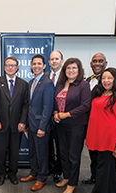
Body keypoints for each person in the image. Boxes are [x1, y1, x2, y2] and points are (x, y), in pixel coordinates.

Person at [81, 68, 116, 193]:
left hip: (109, 138)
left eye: (109, 78)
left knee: (102, 167)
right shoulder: (102, 93)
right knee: (107, 166)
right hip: (97, 135)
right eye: (103, 78)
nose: (106, 81)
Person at [0, 56, 28, 186]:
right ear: (4, 67)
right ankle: (0, 174)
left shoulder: (24, 84)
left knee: (14, 152)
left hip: (17, 125)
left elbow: (25, 105)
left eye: (13, 65)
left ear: (17, 67)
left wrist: (23, 122)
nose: (10, 67)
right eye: (7, 65)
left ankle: (12, 174)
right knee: (0, 151)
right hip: (0, 124)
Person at [53, 58, 91, 193]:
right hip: (60, 125)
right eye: (68, 68)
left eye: (74, 68)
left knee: (73, 155)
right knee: (62, 153)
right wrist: (56, 112)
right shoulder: (60, 83)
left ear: (79, 70)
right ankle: (66, 177)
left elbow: (85, 105)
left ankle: (72, 183)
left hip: (76, 125)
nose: (71, 71)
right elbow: (55, 100)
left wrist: (67, 114)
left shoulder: (83, 85)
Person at [20, 54, 54, 191]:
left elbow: (48, 107)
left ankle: (42, 177)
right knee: (33, 152)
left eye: (39, 64)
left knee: (42, 153)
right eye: (34, 64)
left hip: (41, 126)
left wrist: (42, 127)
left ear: (44, 66)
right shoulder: (31, 82)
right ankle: (34, 173)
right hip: (31, 125)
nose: (36, 66)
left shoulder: (48, 83)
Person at [82, 53, 108, 185]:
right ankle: (94, 177)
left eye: (100, 61)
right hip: (88, 123)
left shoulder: (108, 82)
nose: (97, 63)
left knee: (102, 155)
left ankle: (101, 182)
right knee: (92, 152)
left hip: (102, 125)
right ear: (91, 64)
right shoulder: (87, 80)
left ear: (105, 64)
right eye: (94, 61)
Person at [45, 50, 64, 183]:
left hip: (60, 118)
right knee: (47, 145)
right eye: (52, 59)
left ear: (62, 61)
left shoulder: (67, 76)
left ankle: (58, 171)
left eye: (57, 59)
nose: (54, 61)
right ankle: (49, 168)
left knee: (60, 146)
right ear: (48, 62)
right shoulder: (44, 76)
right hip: (46, 117)